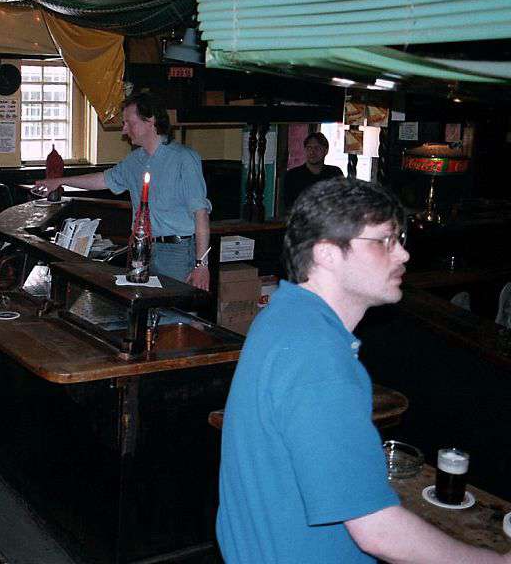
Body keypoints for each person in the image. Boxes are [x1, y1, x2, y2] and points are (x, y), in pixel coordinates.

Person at [217, 177, 511, 563]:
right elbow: (377, 531)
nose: (403, 253)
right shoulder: (318, 358)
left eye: (399, 239)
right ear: (327, 253)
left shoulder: (284, 315)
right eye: (384, 240)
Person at [33, 93, 211, 290]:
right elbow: (102, 180)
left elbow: (201, 214)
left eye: (129, 123)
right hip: (141, 249)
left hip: (177, 252)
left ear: (150, 121)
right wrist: (58, 181)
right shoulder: (134, 161)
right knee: (142, 303)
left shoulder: (184, 158)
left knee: (172, 306)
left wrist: (201, 265)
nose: (124, 129)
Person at [282, 131, 343, 211]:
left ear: (326, 151)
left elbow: (341, 200)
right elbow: (289, 205)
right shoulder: (292, 175)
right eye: (309, 148)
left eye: (317, 148)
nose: (312, 152)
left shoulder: (334, 173)